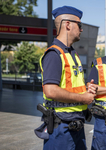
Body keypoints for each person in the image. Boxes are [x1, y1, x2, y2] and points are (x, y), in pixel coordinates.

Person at [35, 5, 97, 150]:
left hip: (75, 125)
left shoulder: (72, 54)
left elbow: (70, 85)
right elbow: (51, 91)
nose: (81, 29)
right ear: (67, 25)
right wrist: (84, 98)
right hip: (61, 129)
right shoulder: (54, 54)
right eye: (79, 24)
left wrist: (87, 89)